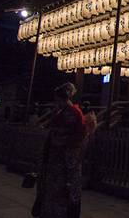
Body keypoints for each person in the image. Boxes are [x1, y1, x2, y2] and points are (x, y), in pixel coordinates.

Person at [35, 82, 86, 218]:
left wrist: (60, 138)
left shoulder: (73, 112)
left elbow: (78, 133)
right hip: (57, 153)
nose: (56, 101)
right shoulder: (62, 111)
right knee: (54, 188)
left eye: (57, 99)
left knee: (63, 188)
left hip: (66, 154)